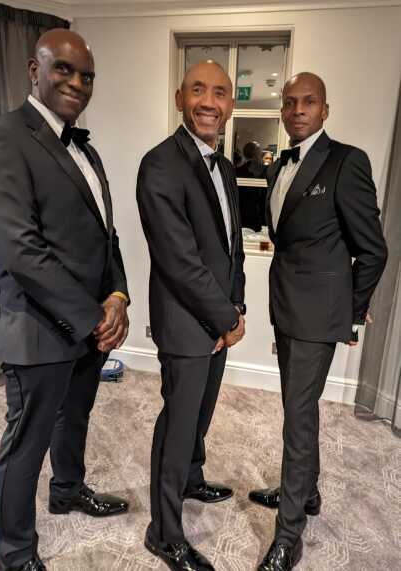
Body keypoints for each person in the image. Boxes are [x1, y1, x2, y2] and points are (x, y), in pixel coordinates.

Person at [0, 29, 130, 571]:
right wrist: (93, 316)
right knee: (25, 444)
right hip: (38, 325)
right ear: (35, 70)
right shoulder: (4, 136)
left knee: (75, 418)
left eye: (87, 75)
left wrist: (117, 295)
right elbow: (21, 250)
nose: (77, 83)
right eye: (64, 69)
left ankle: (67, 490)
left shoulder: (85, 148)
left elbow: (105, 235)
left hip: (90, 326)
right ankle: (15, 552)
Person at [249, 72, 387, 571]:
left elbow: (373, 251)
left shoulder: (347, 161)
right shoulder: (277, 167)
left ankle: (288, 536)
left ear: (325, 109)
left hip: (318, 315)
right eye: (289, 102)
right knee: (297, 410)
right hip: (285, 308)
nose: (297, 110)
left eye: (308, 102)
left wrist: (349, 313)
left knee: (298, 418)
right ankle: (305, 492)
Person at [137, 61, 246, 571]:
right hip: (185, 323)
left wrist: (236, 306)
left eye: (219, 92)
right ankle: (163, 532)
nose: (209, 101)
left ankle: (191, 478)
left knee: (200, 416)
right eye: (198, 90)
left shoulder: (225, 168)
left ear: (230, 105)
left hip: (219, 322)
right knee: (178, 425)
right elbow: (179, 260)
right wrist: (226, 318)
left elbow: (231, 249)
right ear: (180, 98)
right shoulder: (160, 164)